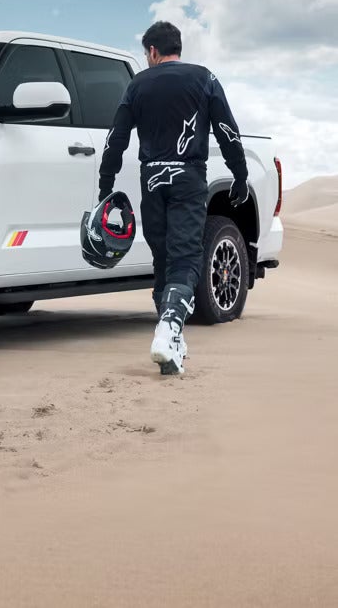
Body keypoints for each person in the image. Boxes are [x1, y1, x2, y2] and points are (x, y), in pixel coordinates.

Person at [97, 21, 249, 374]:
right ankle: (167, 331)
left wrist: (106, 184)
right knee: (185, 257)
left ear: (152, 51)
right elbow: (227, 131)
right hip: (188, 178)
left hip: (151, 179)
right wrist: (239, 175)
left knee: (163, 259)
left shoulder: (137, 84)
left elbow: (115, 138)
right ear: (176, 47)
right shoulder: (204, 78)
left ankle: (172, 342)